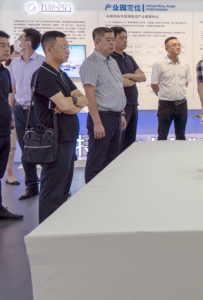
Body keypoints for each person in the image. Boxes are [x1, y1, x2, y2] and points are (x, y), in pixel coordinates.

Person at [32, 31, 88, 223]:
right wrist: (68, 103)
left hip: (67, 136)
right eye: (63, 47)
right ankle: (46, 228)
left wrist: (70, 102)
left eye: (68, 47)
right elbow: (65, 106)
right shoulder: (43, 75)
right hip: (54, 138)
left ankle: (57, 226)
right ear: (49, 50)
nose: (67, 51)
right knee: (52, 188)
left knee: (63, 187)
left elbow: (83, 99)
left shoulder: (61, 74)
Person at [0, 30, 23, 236]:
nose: (7, 49)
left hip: (2, 129)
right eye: (1, 45)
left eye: (7, 45)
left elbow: (4, 99)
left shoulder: (5, 72)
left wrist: (9, 118)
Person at [80, 27, 127, 183]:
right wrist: (97, 123)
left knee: (112, 159)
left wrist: (122, 113)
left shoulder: (112, 62)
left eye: (113, 39)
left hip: (115, 116)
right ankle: (91, 193)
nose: (112, 43)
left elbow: (118, 88)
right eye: (108, 40)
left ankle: (108, 190)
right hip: (102, 117)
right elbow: (90, 95)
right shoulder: (90, 63)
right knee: (97, 159)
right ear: (96, 42)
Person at [8, 28, 44, 199]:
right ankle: (31, 186)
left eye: (20, 37)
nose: (17, 40)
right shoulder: (14, 63)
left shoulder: (43, 62)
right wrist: (10, 114)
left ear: (28, 43)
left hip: (39, 111)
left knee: (45, 147)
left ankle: (51, 185)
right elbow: (12, 91)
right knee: (26, 149)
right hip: (20, 110)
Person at [110, 26, 146, 152]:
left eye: (126, 38)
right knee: (119, 141)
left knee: (130, 141)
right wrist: (133, 78)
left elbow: (143, 77)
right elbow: (120, 83)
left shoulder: (129, 58)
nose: (125, 40)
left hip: (133, 103)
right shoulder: (110, 59)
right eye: (121, 38)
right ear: (113, 39)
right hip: (121, 106)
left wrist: (127, 76)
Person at [151, 36, 192, 140]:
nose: (178, 47)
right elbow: (154, 85)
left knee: (181, 136)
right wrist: (164, 95)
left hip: (182, 104)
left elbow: (186, 82)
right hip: (165, 105)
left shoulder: (185, 64)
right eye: (174, 45)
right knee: (162, 136)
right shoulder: (159, 64)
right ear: (166, 48)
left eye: (179, 45)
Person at [4, 46, 20, 186]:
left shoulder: (27, 70)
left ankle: (31, 174)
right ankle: (9, 173)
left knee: (30, 144)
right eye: (16, 53)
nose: (19, 55)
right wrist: (10, 114)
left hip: (26, 110)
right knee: (12, 145)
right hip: (11, 110)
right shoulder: (7, 71)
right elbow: (10, 94)